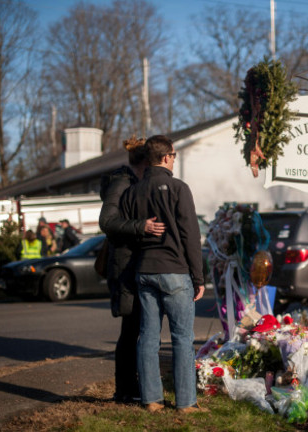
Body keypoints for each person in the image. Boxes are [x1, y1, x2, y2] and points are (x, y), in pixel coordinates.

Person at [121, 134, 206, 413]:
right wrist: (198, 277)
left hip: (144, 270)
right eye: (174, 156)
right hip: (174, 271)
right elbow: (190, 235)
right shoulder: (179, 188)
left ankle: (152, 400)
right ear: (167, 157)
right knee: (182, 337)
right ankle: (185, 403)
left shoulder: (132, 192)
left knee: (148, 337)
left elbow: (127, 233)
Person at [99, 136, 165, 404]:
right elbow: (107, 220)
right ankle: (124, 390)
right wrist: (142, 226)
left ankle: (131, 387)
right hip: (125, 266)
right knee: (131, 330)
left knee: (137, 326)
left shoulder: (133, 182)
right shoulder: (122, 183)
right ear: (145, 163)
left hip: (134, 264)